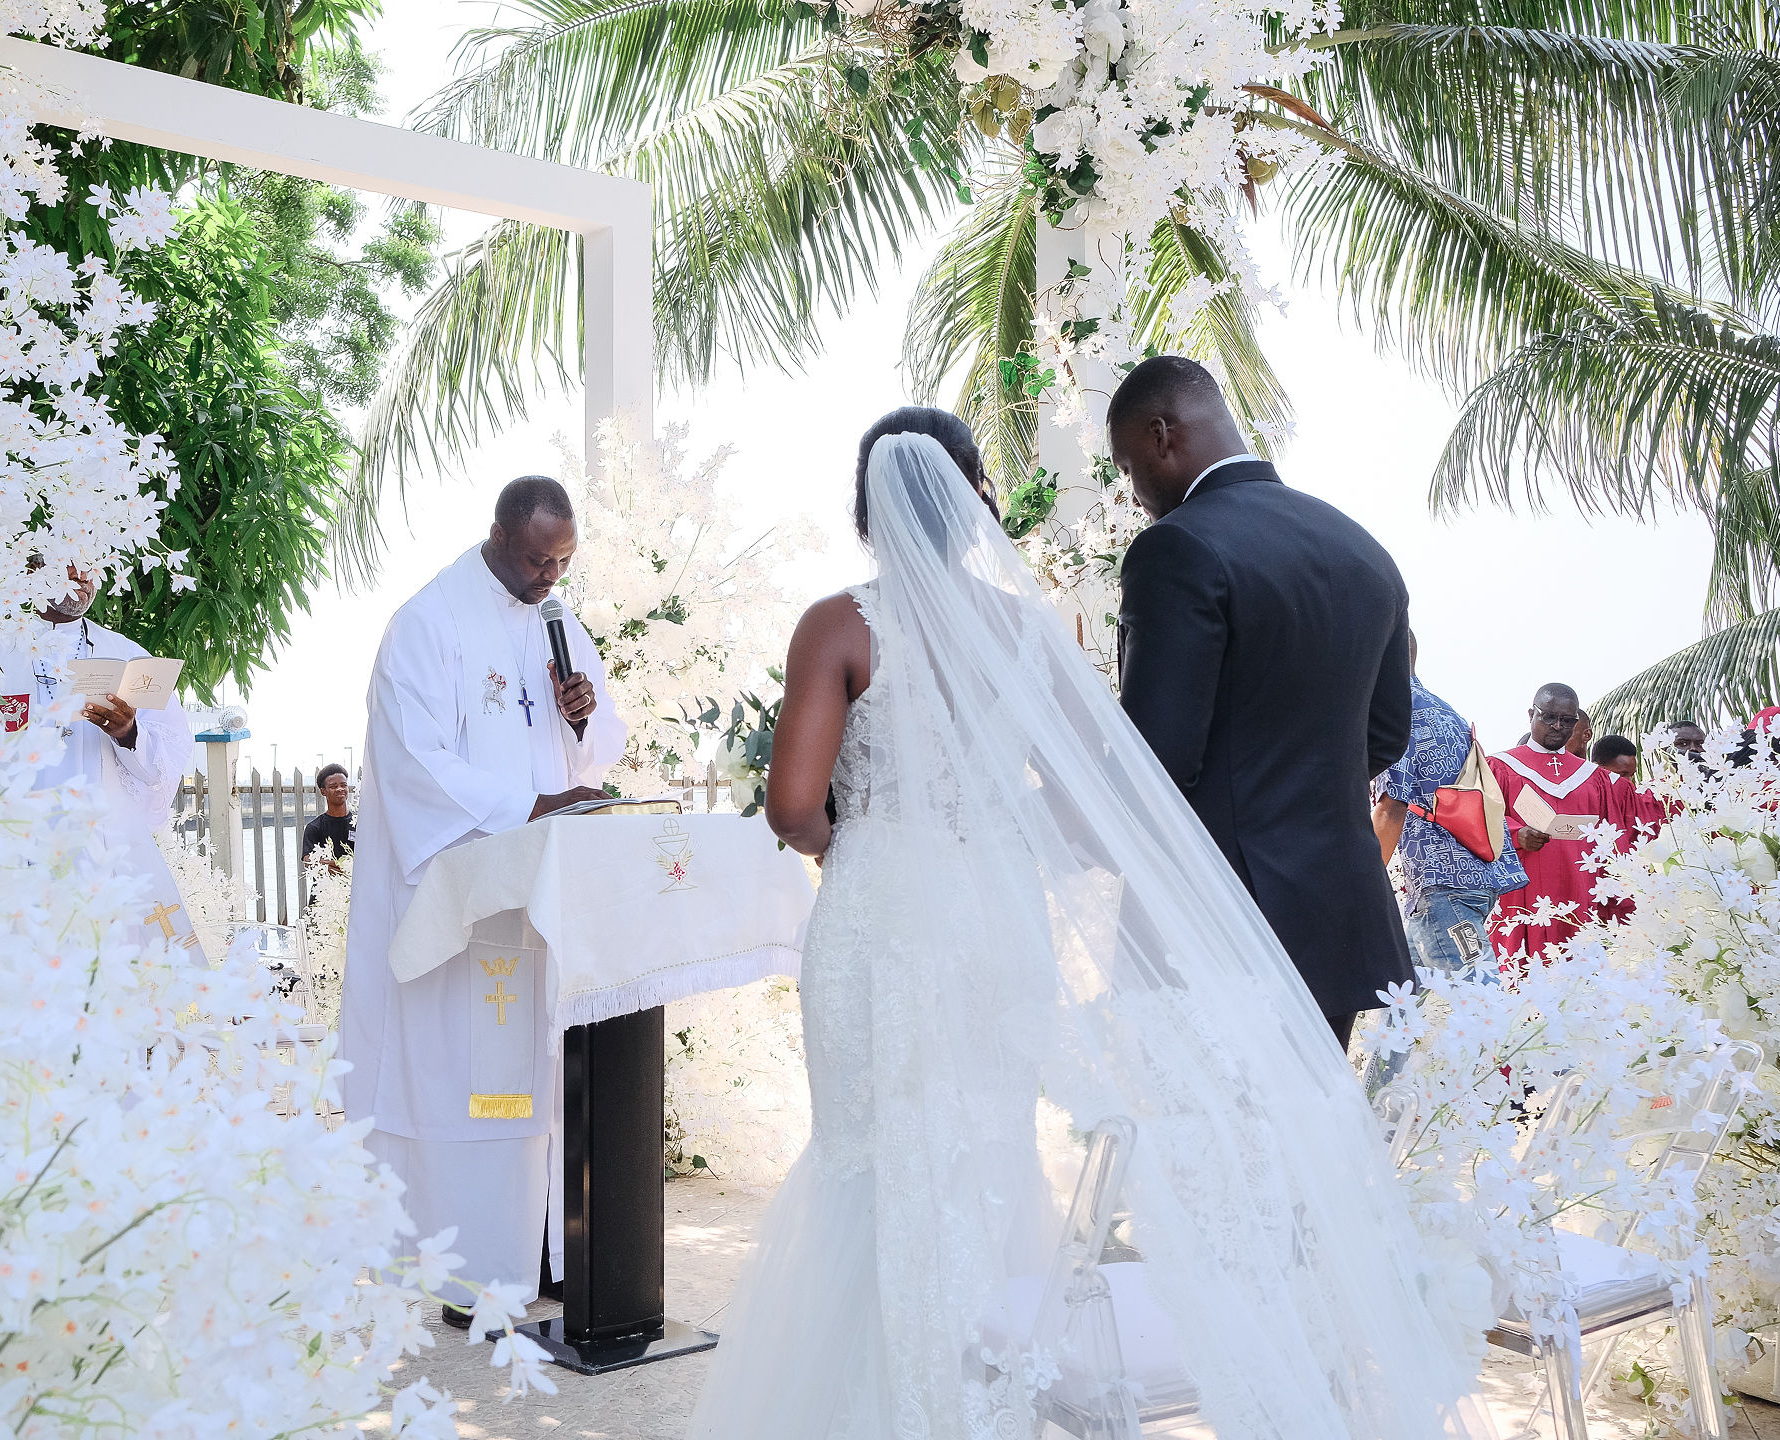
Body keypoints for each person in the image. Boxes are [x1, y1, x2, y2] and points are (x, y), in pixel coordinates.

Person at [688, 414, 1488, 1440]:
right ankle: (986, 1394)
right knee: (987, 1137)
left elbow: (794, 805)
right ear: (975, 502)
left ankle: (883, 1400)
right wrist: (991, 830)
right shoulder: (1034, 632)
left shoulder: (840, 626)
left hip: (884, 904)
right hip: (1000, 912)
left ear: (866, 505)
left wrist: (855, 841)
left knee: (867, 1147)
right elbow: (1085, 799)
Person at [337, 476, 625, 1320]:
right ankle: (468, 1267)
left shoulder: (557, 620)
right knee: (471, 1085)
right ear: (498, 535)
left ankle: (547, 1252)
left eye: (564, 561)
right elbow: (414, 763)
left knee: (539, 1082)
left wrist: (581, 718)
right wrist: (531, 806)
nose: (551, 577)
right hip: (461, 909)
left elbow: (600, 745)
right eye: (539, 560)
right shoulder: (428, 623)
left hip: (538, 899)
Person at [1111, 356, 1412, 1049]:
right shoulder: (1365, 550)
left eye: (1128, 469)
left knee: (1213, 1116)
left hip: (1221, 915)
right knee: (1317, 1113)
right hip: (1339, 909)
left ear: (1161, 435)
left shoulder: (1177, 547)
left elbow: (1157, 758)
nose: (1134, 493)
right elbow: (1386, 733)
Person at [0, 563, 197, 954]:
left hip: (101, 842)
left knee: (106, 964)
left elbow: (165, 758)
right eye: (72, 566)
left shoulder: (126, 656)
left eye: (91, 569)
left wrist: (128, 733)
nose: (84, 579)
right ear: (35, 569)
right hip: (15, 838)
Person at [1372, 633, 1527, 982]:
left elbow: (1391, 808)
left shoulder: (1395, 714)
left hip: (1443, 889)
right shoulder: (1446, 711)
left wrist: (1362, 880)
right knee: (1402, 1001)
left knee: (1482, 999)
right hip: (1470, 879)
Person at [1487, 683, 1650, 960]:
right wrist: (1515, 833)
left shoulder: (1594, 777)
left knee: (1581, 971)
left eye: (1567, 721)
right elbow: (1477, 817)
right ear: (1531, 714)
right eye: (1548, 717)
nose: (1557, 726)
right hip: (1523, 892)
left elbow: (1618, 832)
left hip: (1581, 892)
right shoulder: (1500, 767)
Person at [301, 762, 355, 866]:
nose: (340, 789)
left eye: (343, 785)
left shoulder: (359, 824)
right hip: (327, 877)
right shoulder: (314, 828)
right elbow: (308, 861)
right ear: (323, 791)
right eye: (333, 786)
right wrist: (341, 867)